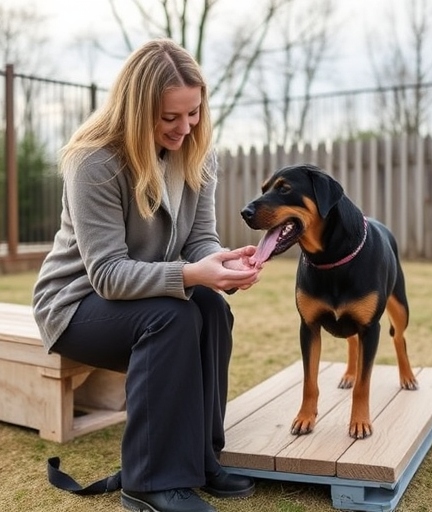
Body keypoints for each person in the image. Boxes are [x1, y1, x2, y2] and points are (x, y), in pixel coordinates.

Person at [32, 38, 261, 512]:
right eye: (169, 117)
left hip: (142, 295)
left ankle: (201, 458)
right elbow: (109, 275)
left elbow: (200, 238)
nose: (186, 127)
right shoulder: (93, 161)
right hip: (76, 305)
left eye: (193, 112)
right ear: (137, 112)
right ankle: (149, 482)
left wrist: (220, 265)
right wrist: (191, 273)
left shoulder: (196, 151)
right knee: (170, 318)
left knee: (211, 308)